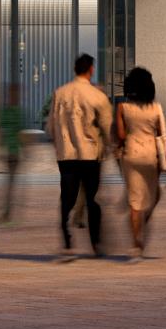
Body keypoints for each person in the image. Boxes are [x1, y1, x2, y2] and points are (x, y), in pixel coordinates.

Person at [50, 52, 115, 260]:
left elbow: (51, 125)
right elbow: (107, 127)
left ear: (75, 69)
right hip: (90, 155)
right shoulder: (97, 96)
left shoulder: (60, 93)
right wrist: (112, 147)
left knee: (67, 198)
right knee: (92, 199)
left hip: (66, 155)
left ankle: (67, 242)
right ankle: (95, 243)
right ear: (91, 70)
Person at [114, 65, 166, 260]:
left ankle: (135, 246)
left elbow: (121, 135)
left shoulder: (123, 108)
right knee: (153, 194)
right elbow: (161, 134)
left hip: (130, 156)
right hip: (151, 157)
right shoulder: (156, 108)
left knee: (134, 201)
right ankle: (143, 222)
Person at [0, 81, 25, 227]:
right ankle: (7, 213)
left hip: (13, 153)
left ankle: (7, 213)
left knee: (9, 184)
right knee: (10, 185)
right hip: (12, 153)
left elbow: (3, 132)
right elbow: (19, 134)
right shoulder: (14, 112)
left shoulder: (7, 112)